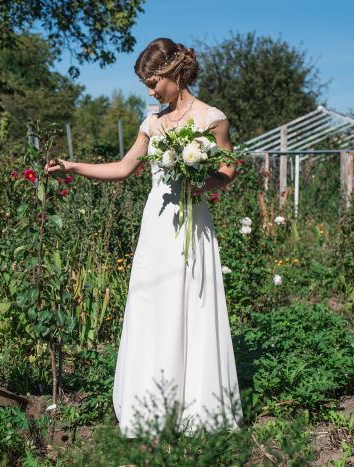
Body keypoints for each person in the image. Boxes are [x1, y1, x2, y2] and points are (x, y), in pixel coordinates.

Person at [46, 38, 242, 436]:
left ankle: (196, 409)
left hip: (191, 223)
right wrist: (73, 166)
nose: (151, 92)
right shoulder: (152, 122)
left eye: (154, 83)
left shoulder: (212, 118)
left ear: (175, 74)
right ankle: (152, 405)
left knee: (191, 308)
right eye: (146, 85)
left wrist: (201, 185)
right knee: (152, 308)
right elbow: (122, 168)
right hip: (156, 227)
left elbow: (230, 167)